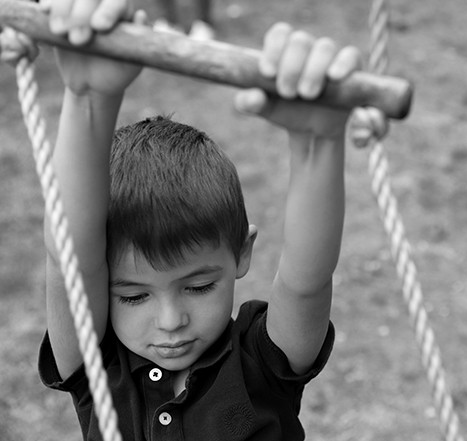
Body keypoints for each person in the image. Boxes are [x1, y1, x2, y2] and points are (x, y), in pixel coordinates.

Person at [0, 0, 385, 439]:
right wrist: (89, 99)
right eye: (132, 296)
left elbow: (306, 281)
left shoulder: (261, 363)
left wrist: (318, 145)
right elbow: (71, 255)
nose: (171, 321)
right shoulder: (97, 363)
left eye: (199, 286)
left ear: (242, 252)